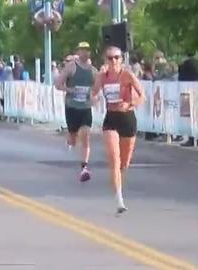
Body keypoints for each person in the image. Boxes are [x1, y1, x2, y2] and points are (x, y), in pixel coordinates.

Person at [93, 45, 143, 214]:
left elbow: (142, 96)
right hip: (111, 119)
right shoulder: (102, 76)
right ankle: (119, 200)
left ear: (122, 59)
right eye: (110, 58)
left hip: (127, 118)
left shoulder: (127, 75)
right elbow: (93, 93)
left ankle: (119, 182)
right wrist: (93, 98)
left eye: (116, 57)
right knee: (114, 160)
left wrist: (130, 103)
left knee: (124, 163)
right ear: (105, 60)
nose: (113, 61)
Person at [55, 42, 96, 183]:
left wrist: (93, 96)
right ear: (78, 51)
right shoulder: (71, 67)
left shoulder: (93, 71)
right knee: (73, 138)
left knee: (85, 136)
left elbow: (96, 88)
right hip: (72, 106)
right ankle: (70, 140)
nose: (85, 53)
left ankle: (84, 167)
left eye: (87, 50)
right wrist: (71, 90)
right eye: (82, 50)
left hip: (85, 108)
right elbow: (58, 84)